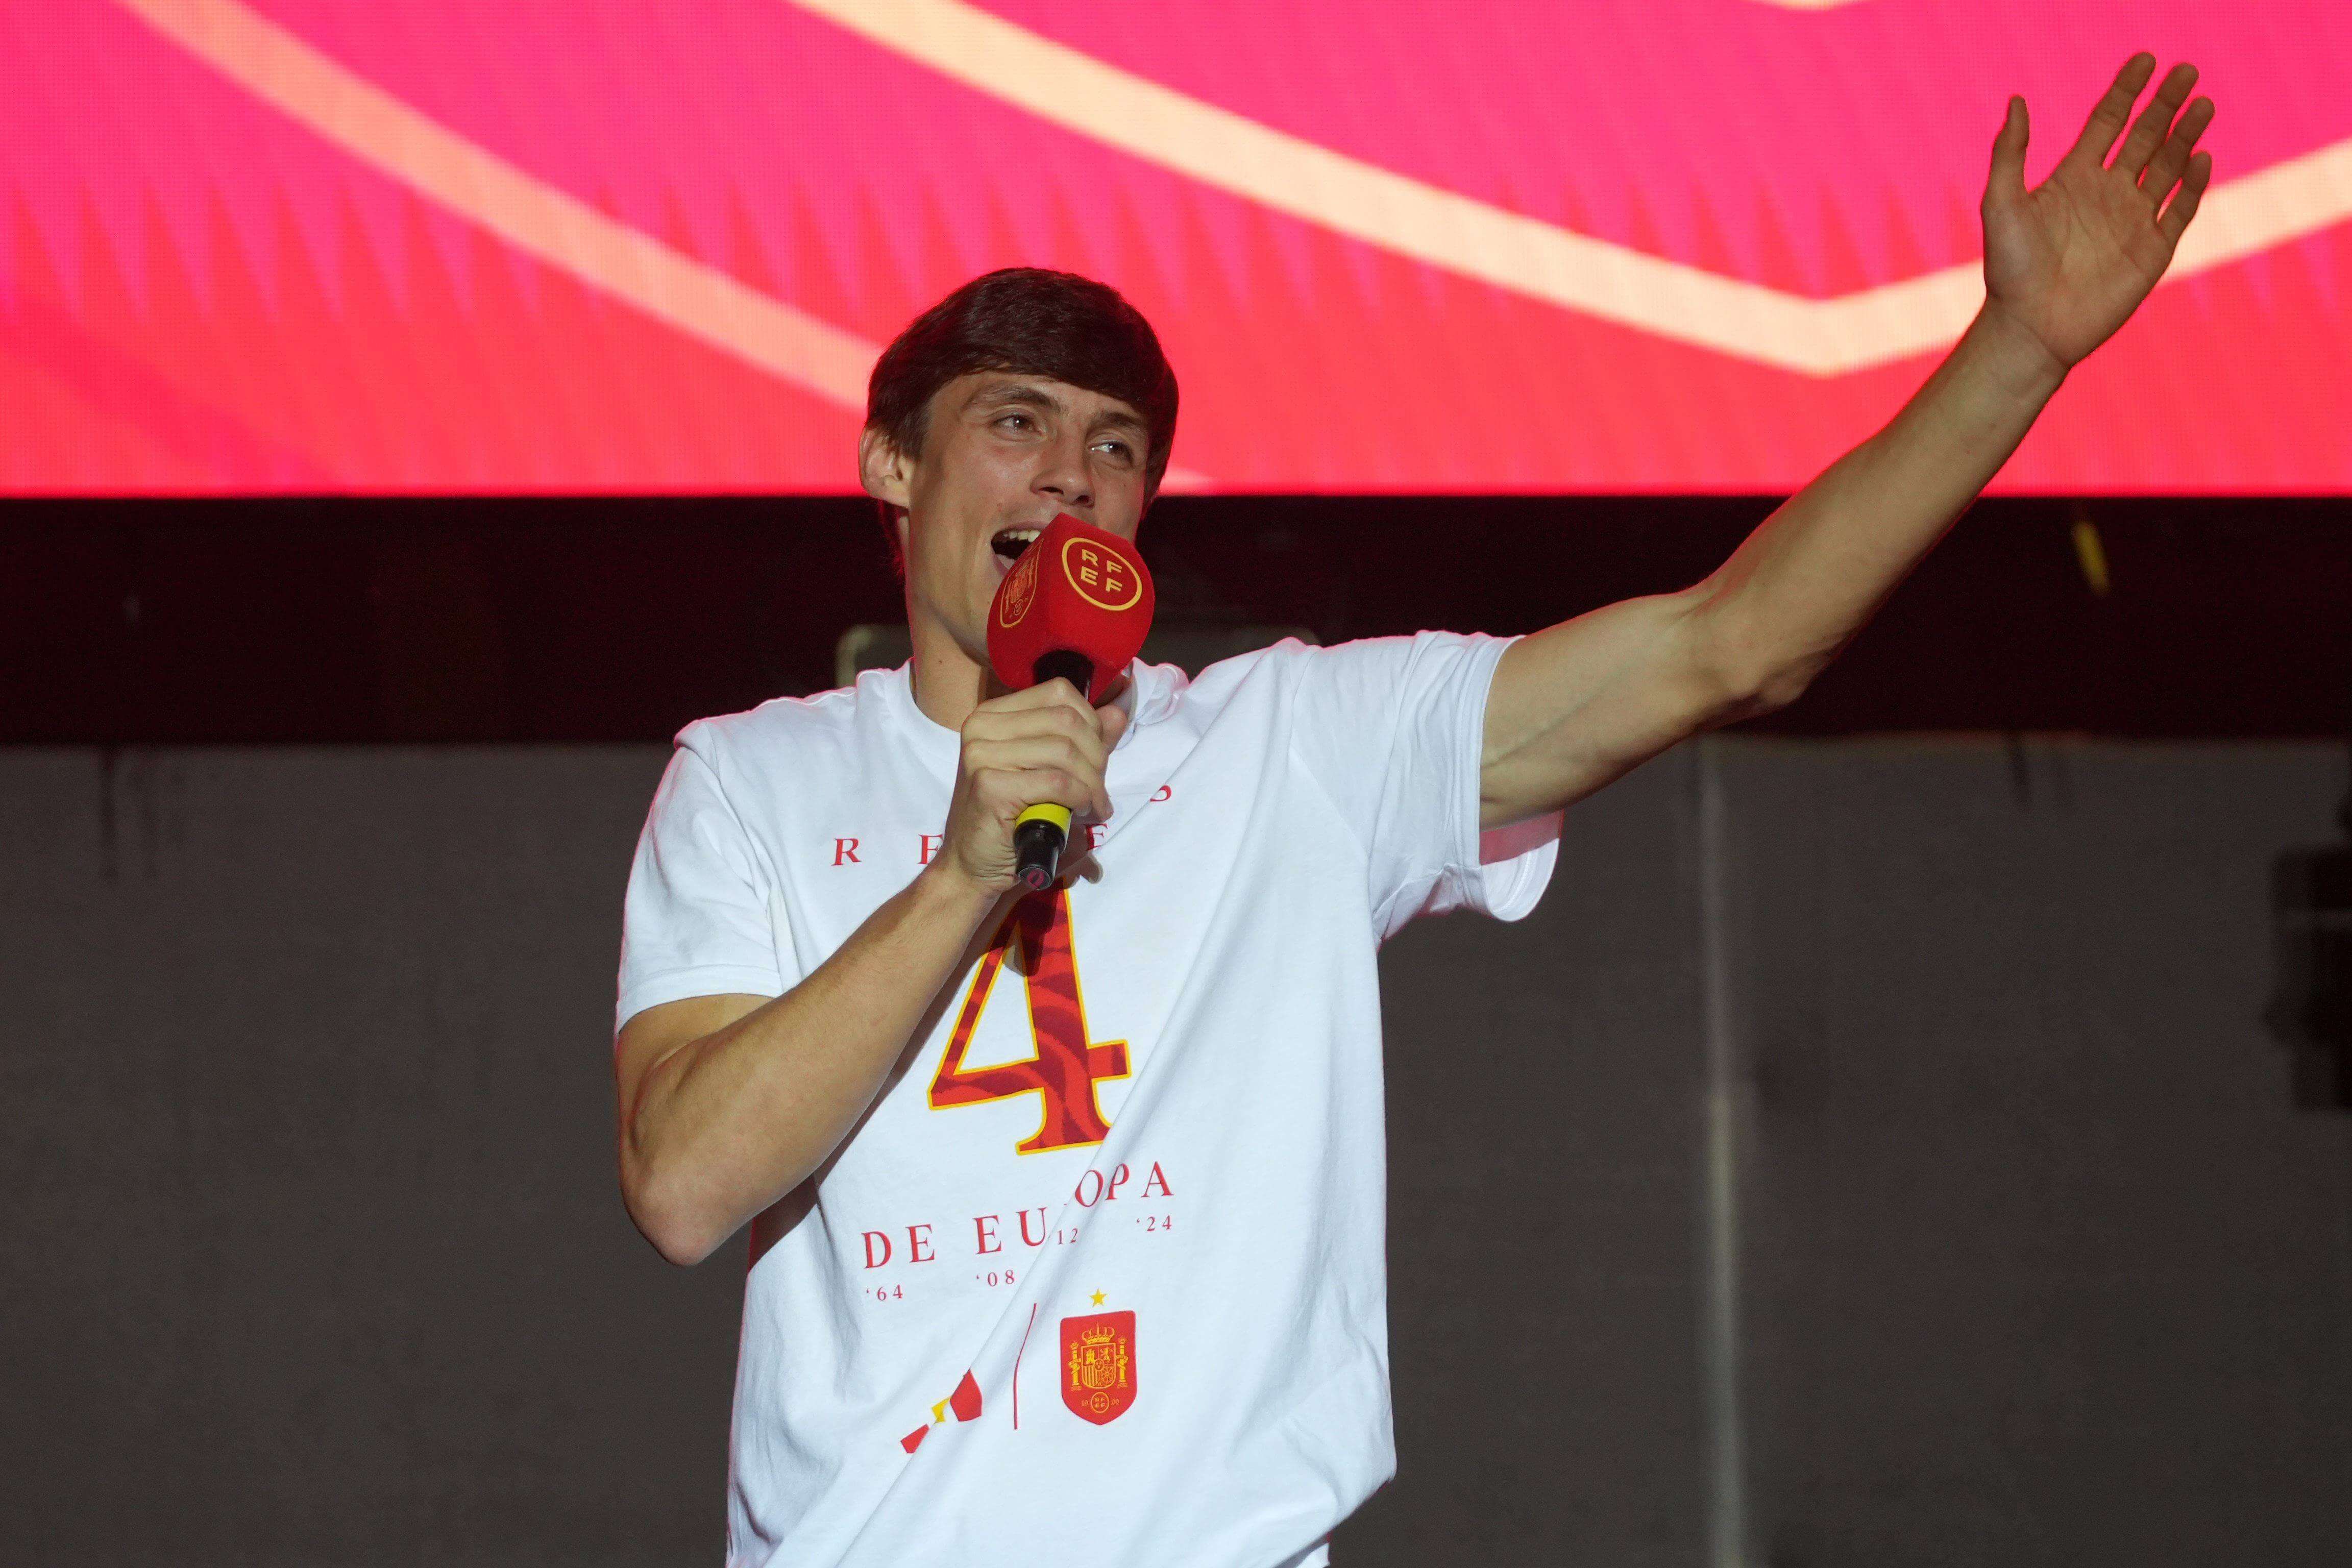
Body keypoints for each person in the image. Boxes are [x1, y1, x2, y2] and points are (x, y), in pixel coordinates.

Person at [610, 54, 2213, 1567]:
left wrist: (2019, 351)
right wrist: (962, 876)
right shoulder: (749, 781)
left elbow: (1734, 643)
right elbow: (684, 1186)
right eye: (1014, 423)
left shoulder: (1292, 742)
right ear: (893, 465)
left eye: (1118, 448)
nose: (1071, 480)